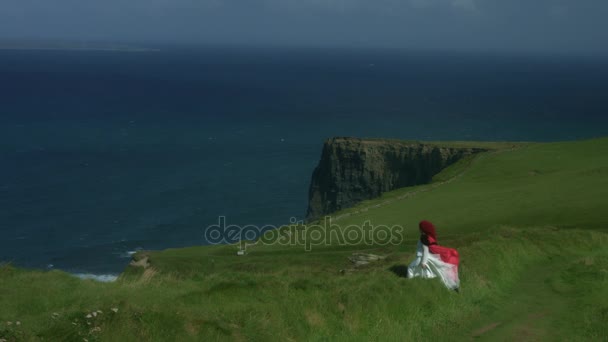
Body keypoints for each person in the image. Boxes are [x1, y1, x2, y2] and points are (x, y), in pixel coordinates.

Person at [407, 220, 460, 291]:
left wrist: (424, 262)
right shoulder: (429, 237)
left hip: (421, 257)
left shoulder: (423, 237)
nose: (419, 229)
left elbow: (425, 250)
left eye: (420, 228)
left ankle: (409, 284)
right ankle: (451, 285)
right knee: (437, 271)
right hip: (426, 257)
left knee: (410, 268)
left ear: (422, 229)